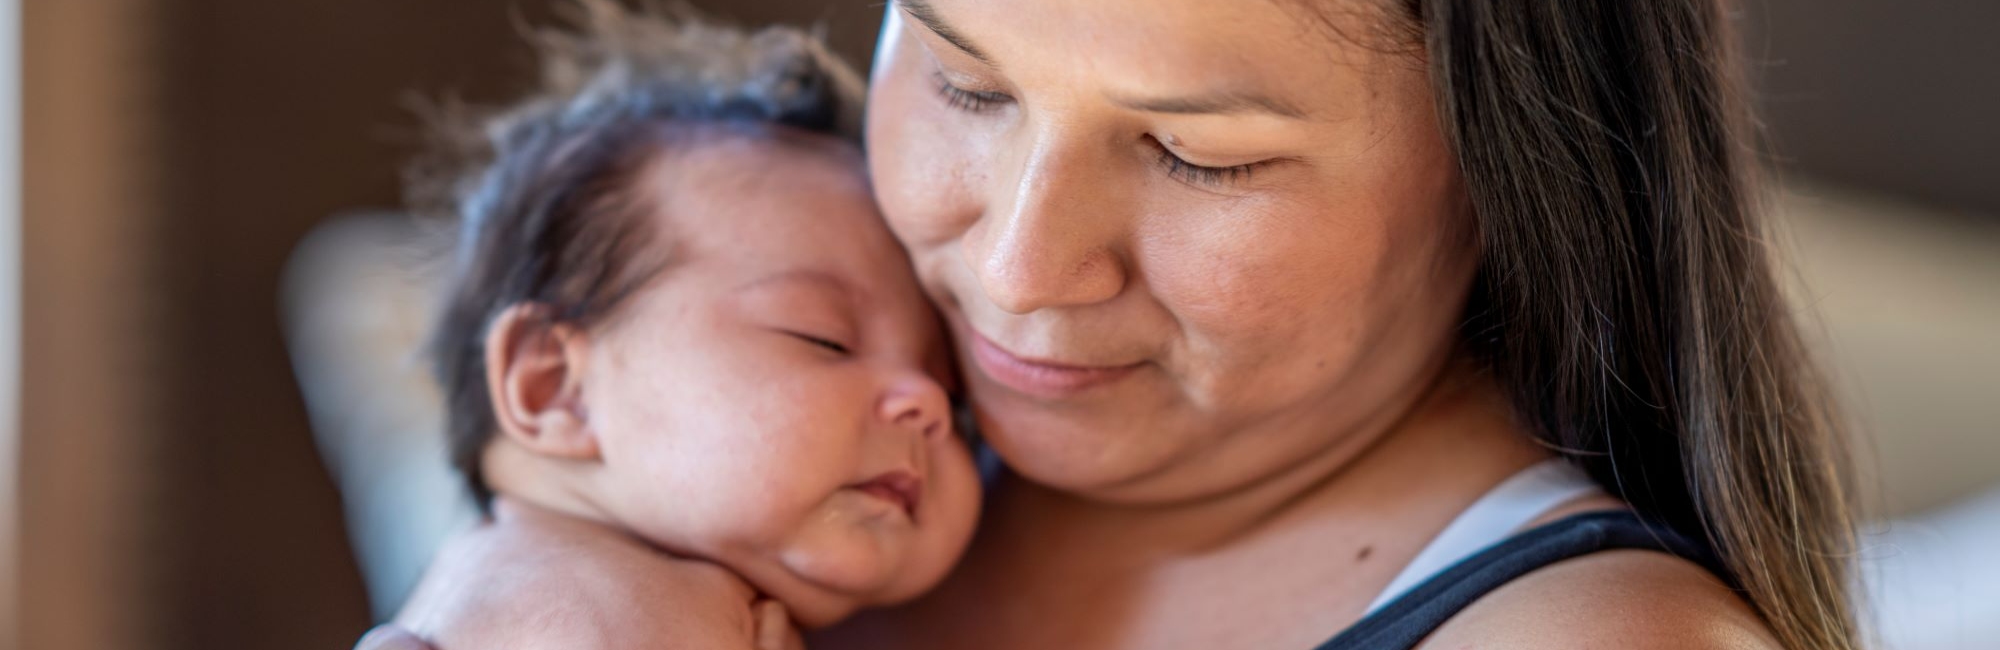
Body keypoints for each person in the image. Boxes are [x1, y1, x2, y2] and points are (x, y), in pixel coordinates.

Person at [362, 0, 1859, 648]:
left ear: (1512, 172)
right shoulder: (770, 467)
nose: (1016, 268)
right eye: (962, 79)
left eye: (1200, 156)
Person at [379, 6, 981, 648]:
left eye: (953, 396)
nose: (926, 406)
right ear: (557, 389)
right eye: (823, 339)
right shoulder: (570, 607)